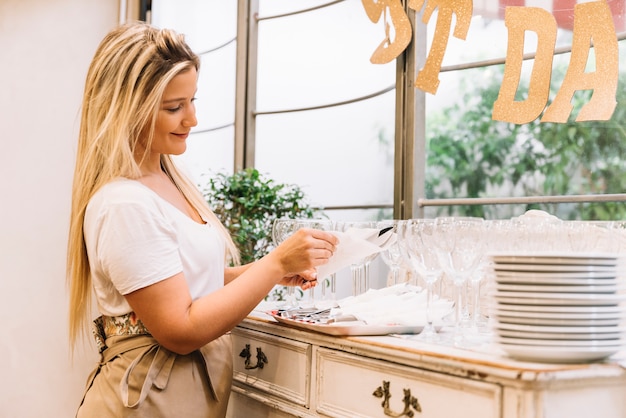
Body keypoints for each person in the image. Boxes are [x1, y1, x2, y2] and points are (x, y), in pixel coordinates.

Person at [66, 21, 338, 418]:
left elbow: (184, 282)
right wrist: (275, 262)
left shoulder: (167, 180)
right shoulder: (123, 203)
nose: (191, 118)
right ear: (125, 108)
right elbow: (180, 329)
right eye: (174, 107)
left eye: (192, 100)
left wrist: (265, 274)